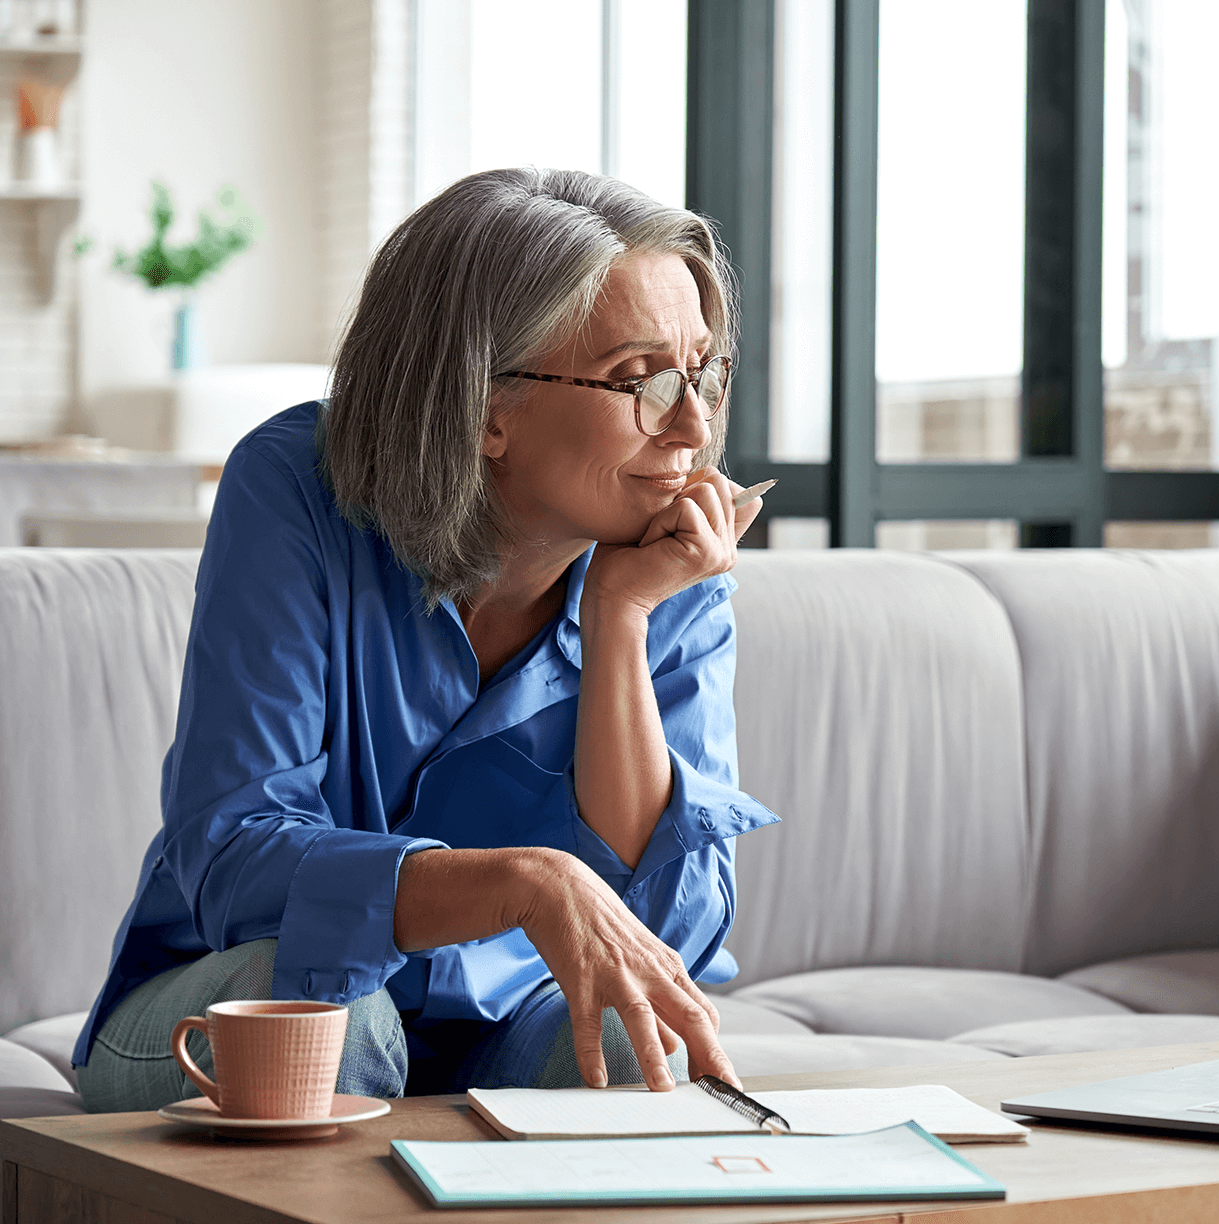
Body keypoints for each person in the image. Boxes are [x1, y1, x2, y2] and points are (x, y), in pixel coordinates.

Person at [73, 168, 779, 1111]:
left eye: (704, 372)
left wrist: (621, 620)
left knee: (628, 1036)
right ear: (486, 406)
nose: (692, 426)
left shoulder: (669, 560)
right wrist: (522, 884)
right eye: (639, 380)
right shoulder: (295, 491)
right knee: (332, 1017)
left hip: (504, 1021)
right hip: (232, 996)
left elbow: (666, 934)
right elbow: (234, 858)